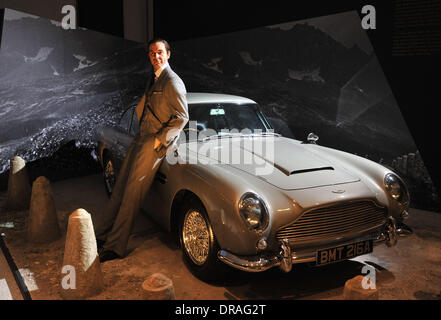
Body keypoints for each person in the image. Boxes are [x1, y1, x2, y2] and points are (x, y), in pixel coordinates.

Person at [97, 38, 188, 262]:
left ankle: (115, 246)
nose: (155, 57)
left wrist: (159, 141)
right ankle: (100, 235)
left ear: (168, 54)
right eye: (151, 53)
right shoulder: (155, 77)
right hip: (140, 139)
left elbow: (182, 117)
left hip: (152, 144)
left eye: (159, 52)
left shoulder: (173, 81)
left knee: (131, 195)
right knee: (119, 189)